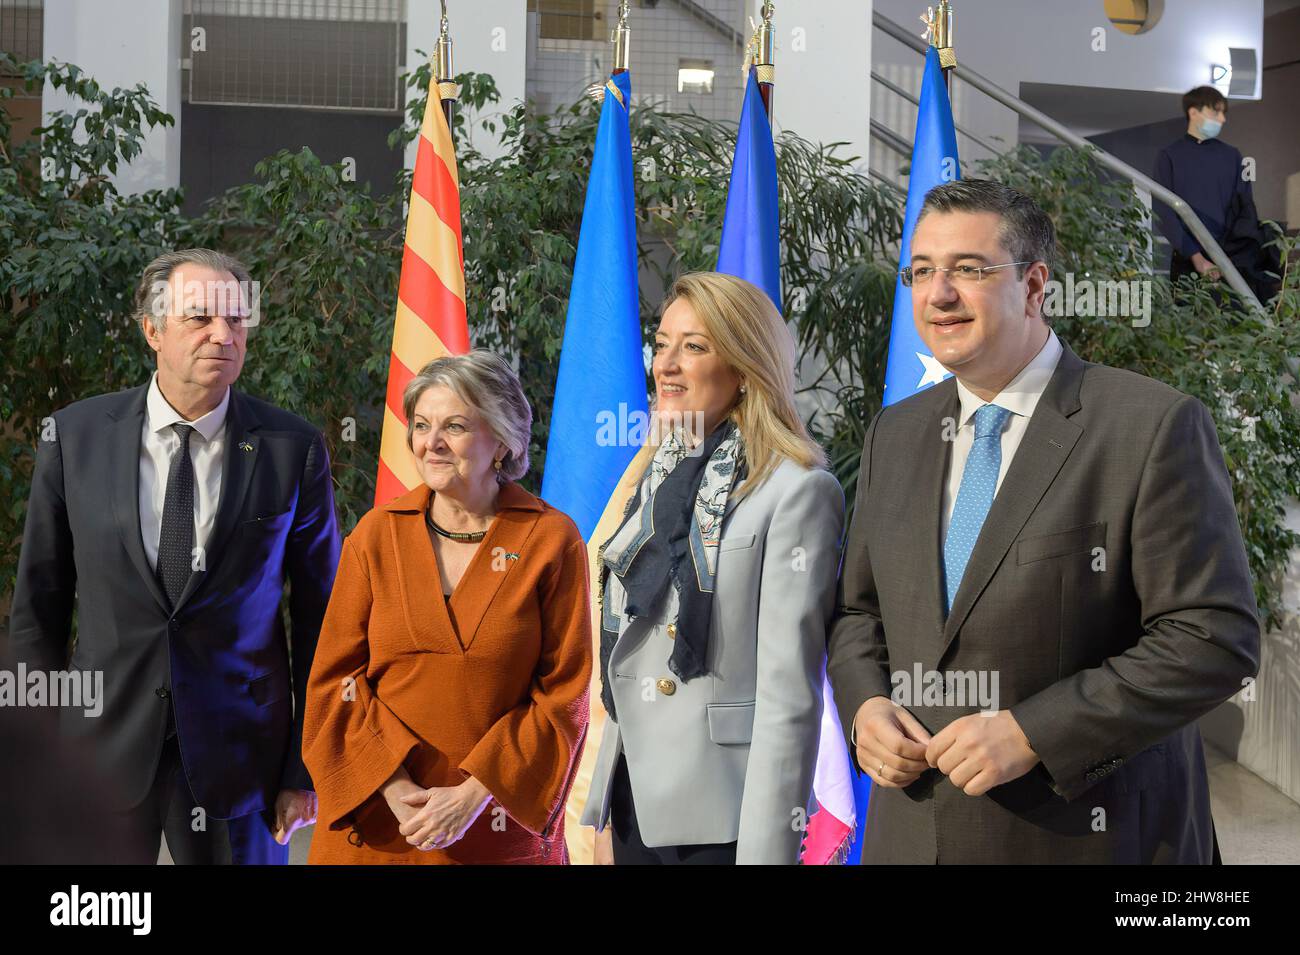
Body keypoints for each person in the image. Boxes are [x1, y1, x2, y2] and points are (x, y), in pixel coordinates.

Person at [827, 179, 1261, 864]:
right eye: (921, 271)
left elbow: (1212, 638)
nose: (937, 294)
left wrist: (1034, 731)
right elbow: (857, 612)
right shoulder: (895, 432)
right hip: (910, 838)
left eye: (968, 269)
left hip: (1087, 840)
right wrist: (866, 706)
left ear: (1034, 286)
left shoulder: (1149, 426)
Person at [9, 248, 341, 864]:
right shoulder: (73, 437)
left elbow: (325, 623)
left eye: (237, 321)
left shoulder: (292, 449)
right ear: (152, 330)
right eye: (201, 319)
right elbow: (38, 613)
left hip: (243, 759)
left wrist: (304, 765)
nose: (223, 335)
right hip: (96, 755)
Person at [580, 271, 845, 865]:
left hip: (724, 814)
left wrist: (767, 852)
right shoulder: (652, 477)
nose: (667, 364)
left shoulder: (797, 492)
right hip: (634, 801)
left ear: (747, 370)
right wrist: (603, 802)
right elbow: (628, 649)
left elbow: (788, 695)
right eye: (662, 343)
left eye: (695, 346)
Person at [302, 351, 591, 864]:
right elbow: (334, 682)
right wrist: (394, 790)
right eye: (421, 425)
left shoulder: (551, 539)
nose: (430, 443)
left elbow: (563, 694)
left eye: (454, 426)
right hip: (381, 827)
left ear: (501, 441)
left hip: (497, 829)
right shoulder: (375, 535)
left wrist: (473, 797)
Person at [1154, 85, 1279, 300]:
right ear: (1193, 112)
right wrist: (1196, 257)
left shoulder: (1232, 156)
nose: (1222, 119)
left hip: (1232, 264)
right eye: (1216, 112)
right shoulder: (1169, 156)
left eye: (1223, 113)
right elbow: (1163, 212)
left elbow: (1246, 208)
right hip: (1188, 264)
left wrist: (1230, 259)